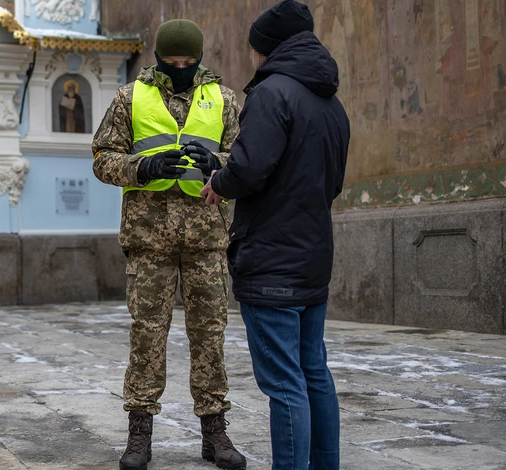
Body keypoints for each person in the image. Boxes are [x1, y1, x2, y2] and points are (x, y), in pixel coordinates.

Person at [92, 19, 246, 470]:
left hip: (206, 238)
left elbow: (247, 160)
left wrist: (218, 162)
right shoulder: (128, 98)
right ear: (157, 58)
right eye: (171, 61)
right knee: (147, 337)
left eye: (189, 61)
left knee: (210, 336)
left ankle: (215, 434)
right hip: (149, 239)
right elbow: (103, 158)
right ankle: (139, 435)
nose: (180, 68)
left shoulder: (224, 99)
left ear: (199, 58)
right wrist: (142, 168)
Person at [201, 1, 350, 468]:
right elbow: (334, 180)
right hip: (312, 255)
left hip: (271, 259)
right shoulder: (331, 102)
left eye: (253, 50)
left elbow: (249, 167)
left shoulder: (272, 93)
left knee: (285, 384)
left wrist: (219, 183)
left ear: (266, 48)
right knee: (314, 374)